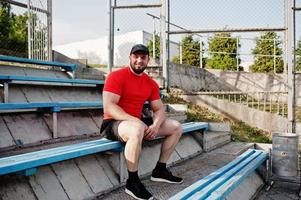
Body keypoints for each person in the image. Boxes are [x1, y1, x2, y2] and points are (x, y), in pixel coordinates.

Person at [100, 44, 183, 200]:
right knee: (137, 128)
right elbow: (110, 107)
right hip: (113, 123)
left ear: (148, 60)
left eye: (143, 57)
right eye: (135, 56)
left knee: (176, 127)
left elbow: (159, 109)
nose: (139, 60)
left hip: (135, 122)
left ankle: (160, 170)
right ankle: (132, 182)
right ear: (130, 58)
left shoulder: (150, 83)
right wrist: (137, 122)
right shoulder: (116, 76)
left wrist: (155, 125)